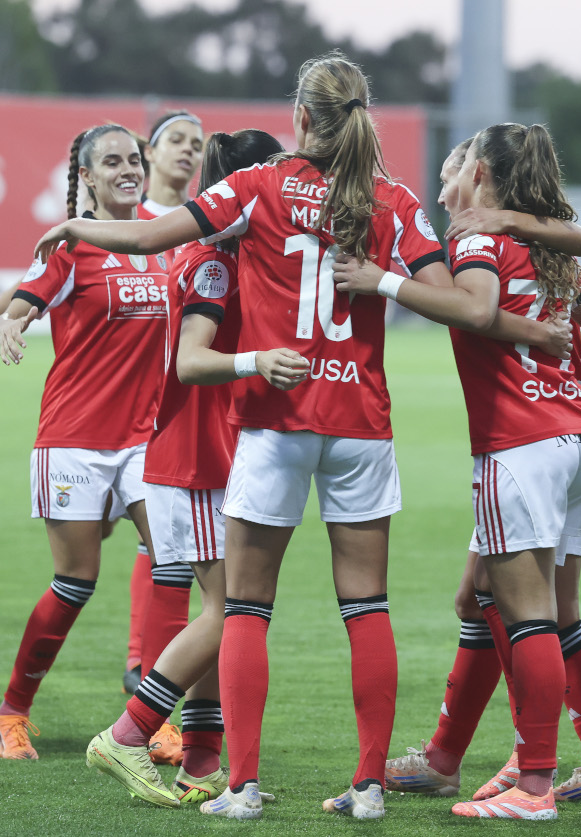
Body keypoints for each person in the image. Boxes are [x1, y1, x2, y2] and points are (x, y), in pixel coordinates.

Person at [33, 51, 459, 821]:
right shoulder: (393, 199)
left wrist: (73, 224)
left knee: (245, 608)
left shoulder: (257, 187)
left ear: (300, 118)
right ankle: (367, 788)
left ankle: (242, 785)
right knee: (367, 608)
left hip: (274, 420)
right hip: (360, 418)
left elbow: (153, 232)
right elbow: (451, 297)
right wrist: (384, 283)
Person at [332, 122, 581, 821]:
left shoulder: (479, 240)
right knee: (494, 596)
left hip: (520, 445)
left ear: (480, 175)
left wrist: (383, 280)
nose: (442, 181)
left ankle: (535, 782)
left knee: (530, 617)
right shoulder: (550, 250)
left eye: (455, 167)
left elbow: (478, 307)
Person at [83, 128, 296, 810]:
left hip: (208, 453)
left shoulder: (228, 254)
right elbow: (190, 362)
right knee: (231, 609)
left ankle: (202, 762)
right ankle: (128, 732)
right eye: (272, 176)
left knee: (229, 609)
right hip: (198, 457)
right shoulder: (213, 261)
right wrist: (255, 362)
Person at [0, 125, 169, 760]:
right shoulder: (72, 247)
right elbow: (26, 297)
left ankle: (154, 717)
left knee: (172, 566)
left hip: (149, 440)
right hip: (75, 438)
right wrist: (11, 324)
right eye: (113, 163)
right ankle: (12, 711)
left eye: (135, 160)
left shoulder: (163, 242)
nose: (129, 170)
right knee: (77, 580)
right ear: (89, 178)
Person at [120, 110, 205, 705]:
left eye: (198, 145)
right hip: (117, 411)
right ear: (149, 152)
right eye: (177, 140)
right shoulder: (134, 224)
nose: (188, 152)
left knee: (159, 541)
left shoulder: (202, 225)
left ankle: (144, 666)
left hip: (177, 407)